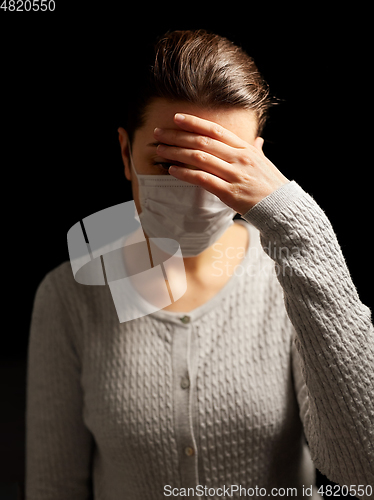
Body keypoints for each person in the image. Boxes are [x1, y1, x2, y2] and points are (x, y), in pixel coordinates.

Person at [26, 29, 374, 499]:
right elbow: (53, 487)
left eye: (220, 165)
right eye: (168, 163)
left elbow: (362, 471)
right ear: (126, 154)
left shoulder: (292, 281)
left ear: (257, 164)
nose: (194, 191)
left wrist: (299, 227)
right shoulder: (69, 297)